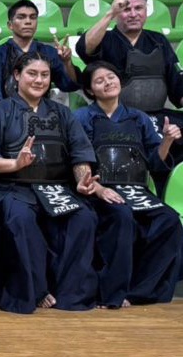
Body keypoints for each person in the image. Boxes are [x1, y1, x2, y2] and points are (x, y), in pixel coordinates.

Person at [0, 52, 100, 314]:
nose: (39, 80)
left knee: (84, 218)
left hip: (57, 188)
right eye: (32, 74)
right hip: (13, 186)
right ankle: (33, 291)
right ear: (17, 75)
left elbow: (80, 152)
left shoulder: (63, 113)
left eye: (45, 75)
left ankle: (69, 293)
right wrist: (15, 164)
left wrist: (82, 180)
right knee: (20, 219)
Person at [73, 61, 183, 308]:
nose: (107, 82)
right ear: (90, 90)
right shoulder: (82, 117)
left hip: (137, 190)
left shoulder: (139, 118)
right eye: (99, 80)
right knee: (120, 215)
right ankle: (110, 293)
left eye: (111, 77)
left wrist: (166, 141)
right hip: (100, 190)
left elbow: (155, 163)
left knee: (169, 220)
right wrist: (98, 189)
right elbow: (79, 157)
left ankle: (139, 292)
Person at [75, 0, 183, 171]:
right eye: (126, 9)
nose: (133, 14)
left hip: (157, 115)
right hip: (119, 117)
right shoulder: (106, 39)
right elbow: (84, 48)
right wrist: (110, 14)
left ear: (146, 11)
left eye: (138, 8)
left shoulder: (158, 40)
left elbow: (177, 84)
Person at [0, 0, 80, 109]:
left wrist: (67, 62)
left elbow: (69, 85)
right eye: (21, 17)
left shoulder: (49, 52)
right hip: (7, 112)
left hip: (41, 113)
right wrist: (2, 116)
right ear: (10, 25)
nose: (28, 21)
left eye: (33, 17)